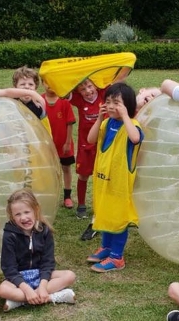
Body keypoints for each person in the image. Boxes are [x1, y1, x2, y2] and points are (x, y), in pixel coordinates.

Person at [85, 82, 143, 273]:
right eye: (108, 101)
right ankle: (106, 247)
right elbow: (90, 140)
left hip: (120, 183)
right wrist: (99, 118)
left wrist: (126, 115)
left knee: (118, 218)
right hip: (103, 180)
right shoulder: (106, 123)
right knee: (104, 212)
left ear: (127, 105)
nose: (110, 106)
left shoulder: (131, 125)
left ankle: (117, 257)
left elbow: (135, 139)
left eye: (116, 102)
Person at [0, 189, 77, 312]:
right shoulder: (9, 235)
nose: (23, 218)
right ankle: (51, 297)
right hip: (20, 278)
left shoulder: (44, 231)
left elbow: (48, 262)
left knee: (69, 275)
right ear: (12, 216)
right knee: (2, 290)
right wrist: (26, 289)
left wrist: (43, 286)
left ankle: (21, 301)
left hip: (40, 274)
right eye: (17, 214)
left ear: (36, 210)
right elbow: (9, 268)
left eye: (27, 212)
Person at [65, 76, 125, 240]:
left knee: (107, 177)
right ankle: (82, 205)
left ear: (95, 86)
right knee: (83, 175)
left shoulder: (103, 93)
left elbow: (119, 79)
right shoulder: (78, 99)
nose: (88, 91)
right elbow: (63, 92)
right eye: (83, 89)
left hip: (104, 145)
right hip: (86, 146)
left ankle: (108, 206)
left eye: (90, 87)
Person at [40, 77, 77, 209]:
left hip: (63, 145)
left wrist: (67, 143)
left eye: (53, 81)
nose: (50, 85)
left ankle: (67, 196)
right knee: (49, 171)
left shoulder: (64, 102)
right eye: (47, 82)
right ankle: (51, 195)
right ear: (42, 83)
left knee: (66, 169)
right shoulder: (39, 100)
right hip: (46, 145)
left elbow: (69, 124)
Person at [11, 66, 53, 136]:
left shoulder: (39, 107)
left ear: (35, 87)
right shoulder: (11, 104)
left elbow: (46, 131)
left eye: (30, 84)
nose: (27, 86)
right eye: (22, 84)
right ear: (16, 87)